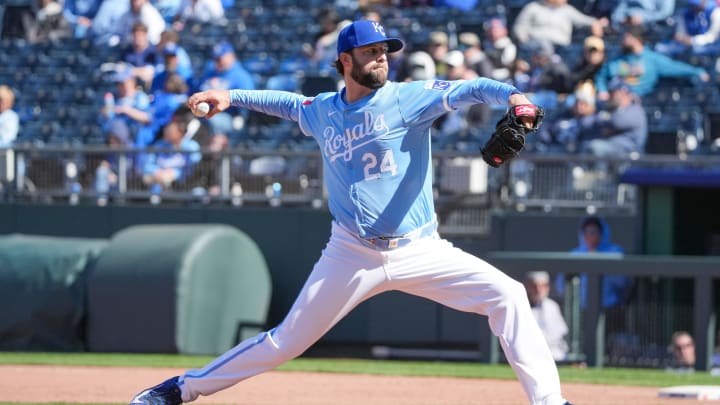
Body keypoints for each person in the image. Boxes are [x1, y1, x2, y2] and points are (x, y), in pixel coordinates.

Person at [130, 20, 574, 405]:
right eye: (371, 52)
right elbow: (286, 103)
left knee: (510, 295)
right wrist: (231, 95)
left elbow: (473, 88)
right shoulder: (323, 110)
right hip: (351, 253)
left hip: (421, 248)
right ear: (345, 59)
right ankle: (180, 390)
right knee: (284, 342)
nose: (382, 58)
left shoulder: (408, 98)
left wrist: (516, 98)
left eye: (385, 51)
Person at [594, 25, 709, 100]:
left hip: (636, 100)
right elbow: (602, 76)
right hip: (614, 97)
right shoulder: (618, 59)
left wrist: (696, 71)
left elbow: (675, 67)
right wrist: (602, 90)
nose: (623, 41)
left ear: (637, 39)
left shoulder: (652, 59)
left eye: (627, 38)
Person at [580, 78, 647, 157]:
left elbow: (617, 122)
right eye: (609, 92)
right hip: (612, 146)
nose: (609, 96)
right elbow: (586, 122)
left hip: (629, 150)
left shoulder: (635, 109)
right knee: (585, 144)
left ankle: (599, 170)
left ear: (623, 92)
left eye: (612, 92)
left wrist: (604, 120)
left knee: (596, 147)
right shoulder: (611, 109)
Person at [512, 0, 607, 51]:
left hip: (561, 48)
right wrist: (524, 40)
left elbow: (585, 20)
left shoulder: (567, 10)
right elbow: (519, 26)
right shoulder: (533, 7)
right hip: (537, 47)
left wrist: (596, 22)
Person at [524, 271, 569, 362]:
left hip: (555, 354)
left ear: (547, 287)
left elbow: (560, 332)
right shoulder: (522, 306)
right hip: (530, 356)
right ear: (528, 287)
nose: (538, 290)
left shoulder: (553, 306)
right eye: (534, 286)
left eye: (542, 286)